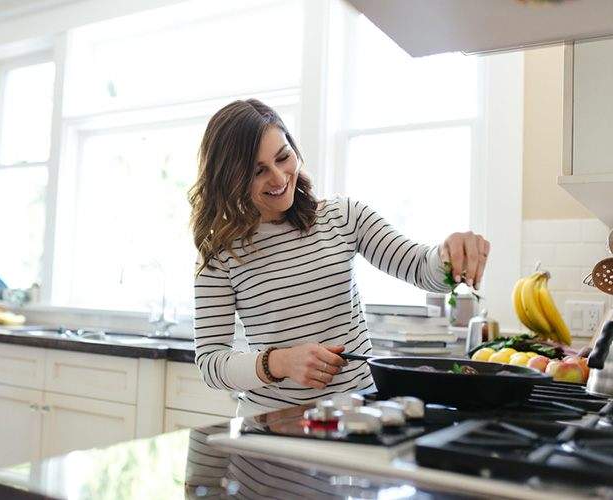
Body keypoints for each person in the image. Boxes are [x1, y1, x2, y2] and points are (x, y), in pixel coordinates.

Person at [188, 99, 490, 416]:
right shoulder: (219, 254)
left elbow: (420, 267)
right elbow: (211, 362)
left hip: (356, 416)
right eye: (258, 171)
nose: (278, 178)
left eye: (283, 157)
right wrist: (280, 362)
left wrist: (449, 255)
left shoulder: (343, 217)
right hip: (272, 424)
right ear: (230, 178)